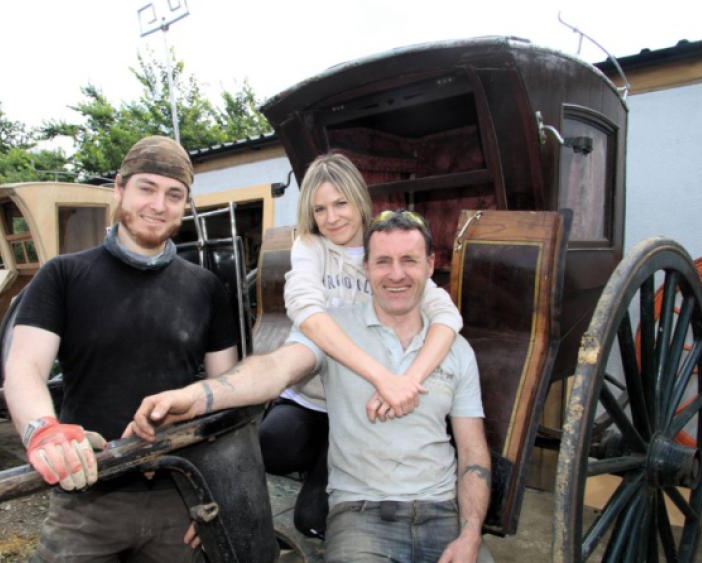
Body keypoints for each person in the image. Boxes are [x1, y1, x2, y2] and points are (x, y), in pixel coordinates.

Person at [130, 210, 493, 563]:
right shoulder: (334, 332)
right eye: (383, 261)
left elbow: (473, 453)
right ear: (365, 268)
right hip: (362, 515)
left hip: (445, 512)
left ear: (430, 266)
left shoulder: (456, 349)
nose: (396, 274)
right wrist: (195, 398)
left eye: (409, 260)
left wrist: (471, 532)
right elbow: (273, 369)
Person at [3, 135, 238, 562]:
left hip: (179, 495)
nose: (158, 205)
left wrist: (215, 495)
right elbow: (23, 368)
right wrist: (42, 429)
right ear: (119, 188)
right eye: (146, 188)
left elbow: (226, 393)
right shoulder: (64, 275)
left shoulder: (206, 288)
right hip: (87, 497)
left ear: (185, 204)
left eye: (174, 195)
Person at [260, 153, 463, 537]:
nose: (332, 217)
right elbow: (303, 306)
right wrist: (381, 375)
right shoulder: (310, 246)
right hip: (312, 396)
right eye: (320, 208)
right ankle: (323, 457)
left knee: (313, 522)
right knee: (270, 445)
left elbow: (447, 316)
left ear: (359, 199)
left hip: (360, 407)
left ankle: (332, 467)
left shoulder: (384, 248)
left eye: (341, 203)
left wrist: (405, 379)